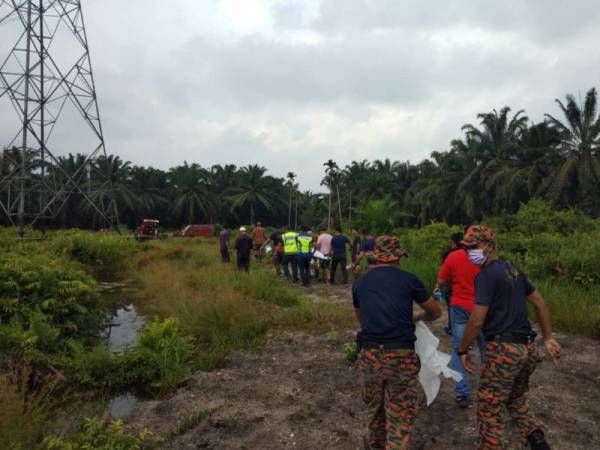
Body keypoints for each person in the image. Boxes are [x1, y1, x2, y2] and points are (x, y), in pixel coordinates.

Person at [457, 225, 561, 450]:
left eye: (473, 247)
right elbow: (540, 302)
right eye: (466, 248)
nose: (468, 253)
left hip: (504, 350)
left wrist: (462, 350)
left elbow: (476, 320)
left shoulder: (485, 275)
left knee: (489, 408)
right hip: (527, 349)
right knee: (515, 399)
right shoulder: (513, 270)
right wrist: (548, 337)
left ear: (489, 246)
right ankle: (538, 441)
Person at [353, 236, 442, 450]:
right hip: (401, 356)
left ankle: (375, 444)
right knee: (400, 415)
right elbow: (436, 312)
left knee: (375, 410)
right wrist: (416, 318)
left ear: (376, 255)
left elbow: (362, 320)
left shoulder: (360, 283)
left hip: (371, 354)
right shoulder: (409, 280)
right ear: (397, 257)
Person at [436, 231, 484, 408]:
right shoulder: (485, 259)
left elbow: (441, 279)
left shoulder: (454, 257)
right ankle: (490, 390)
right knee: (486, 348)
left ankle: (462, 393)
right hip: (482, 308)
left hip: (460, 307)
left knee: (459, 349)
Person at [438, 232, 466, 336]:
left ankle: (452, 329)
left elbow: (443, 275)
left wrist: (439, 287)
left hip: (452, 285)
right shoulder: (471, 253)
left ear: (453, 242)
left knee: (452, 308)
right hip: (469, 287)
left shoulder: (449, 254)